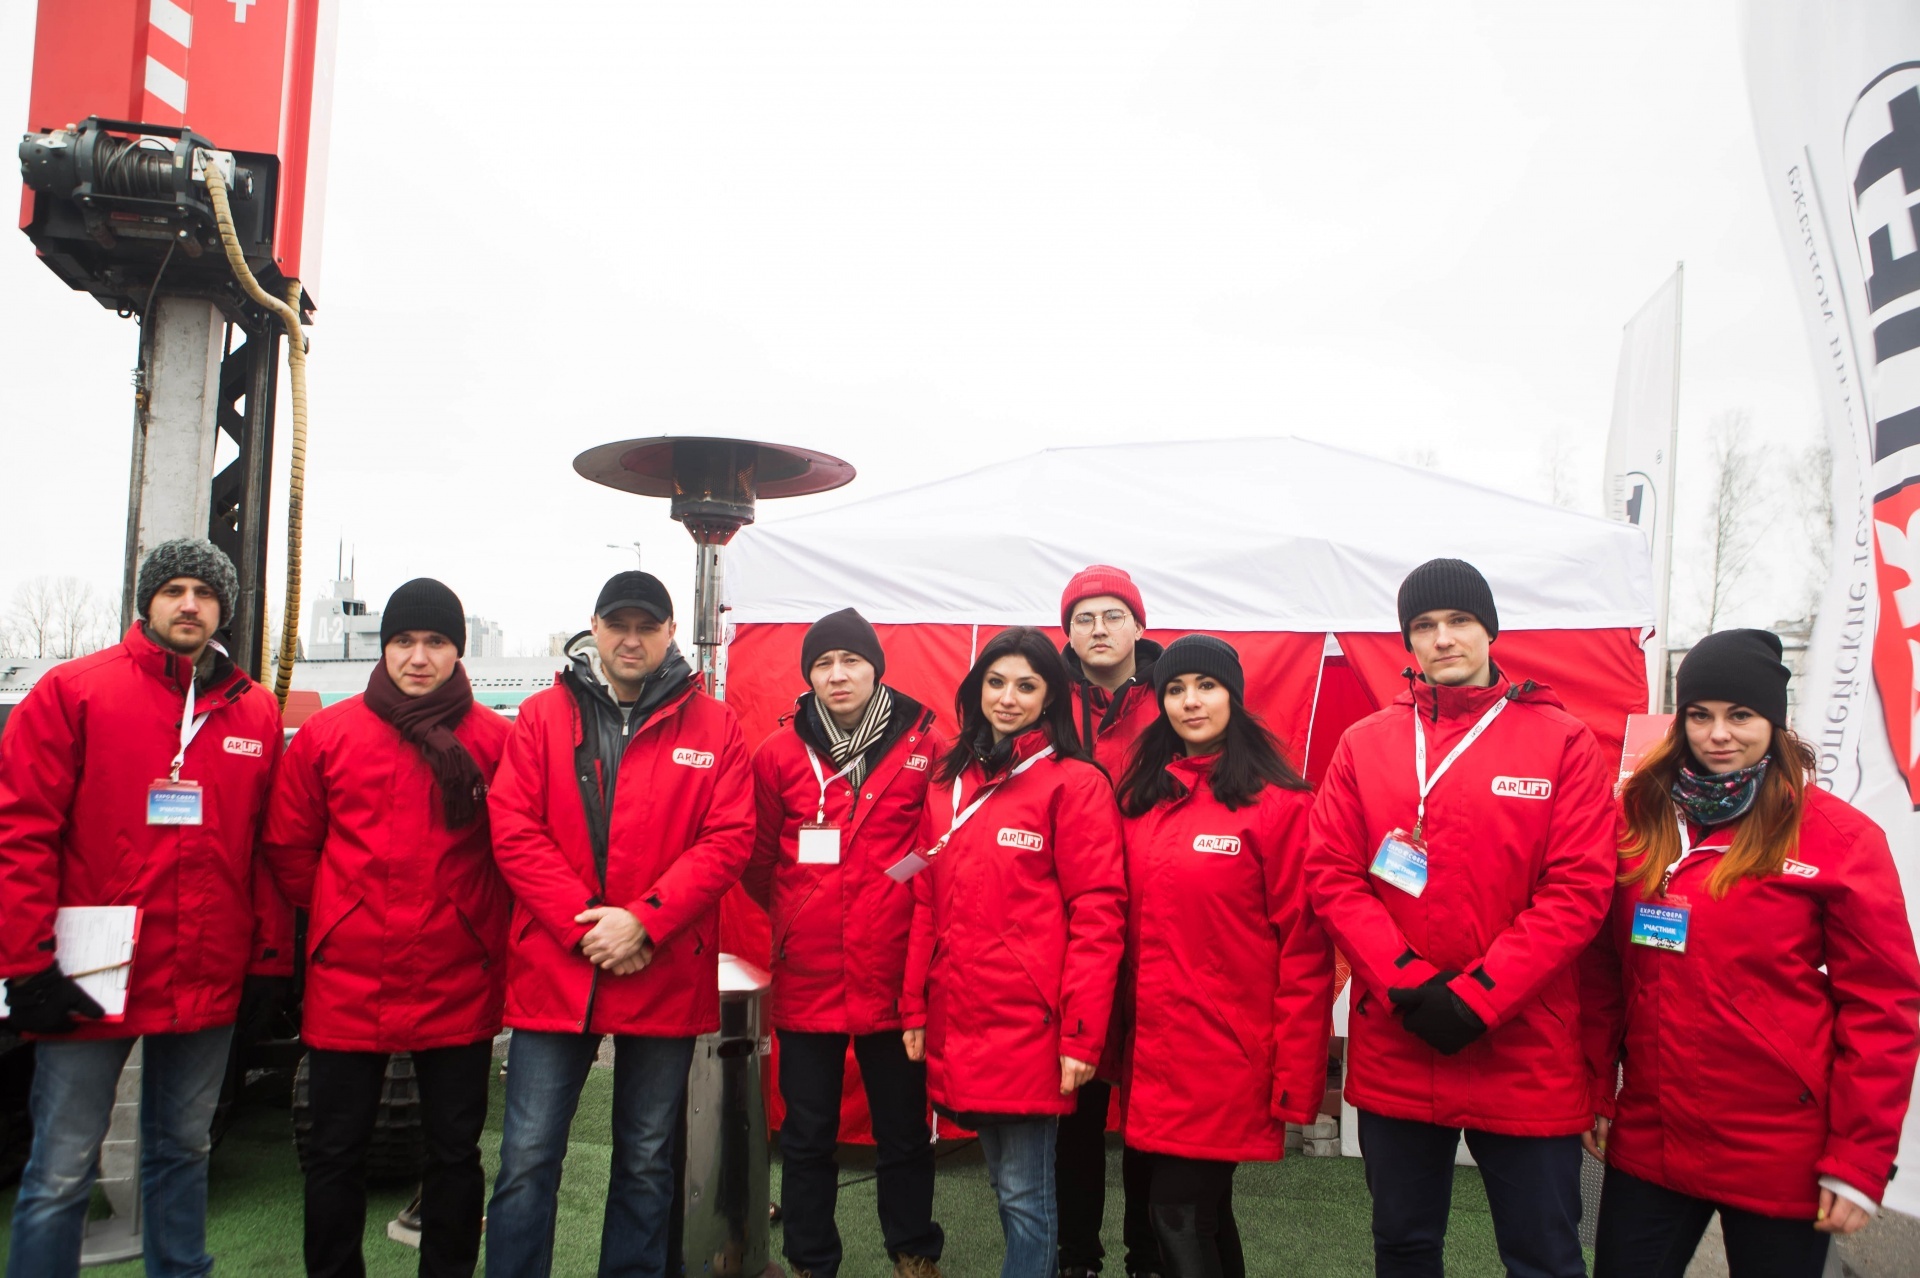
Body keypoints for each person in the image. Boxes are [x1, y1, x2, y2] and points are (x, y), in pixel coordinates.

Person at [1304, 558, 1615, 1278]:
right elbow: (1333, 875)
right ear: (1407, 641)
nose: (1442, 638)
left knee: (1543, 1255)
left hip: (1524, 1046)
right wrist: (1406, 981)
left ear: (1490, 630)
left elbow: (1577, 890)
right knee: (1404, 1247)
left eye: (1459, 621)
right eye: (1424, 625)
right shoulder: (1366, 742)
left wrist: (1479, 996)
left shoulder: (1561, 740)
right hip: (1402, 1035)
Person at [1581, 629, 1920, 1278]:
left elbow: (1883, 1006)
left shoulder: (1838, 838)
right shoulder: (1637, 820)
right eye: (1699, 715)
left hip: (1780, 1148)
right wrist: (1598, 1085)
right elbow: (1602, 971)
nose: (1718, 734)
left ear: (1774, 722)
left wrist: (1859, 1158)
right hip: (1653, 1135)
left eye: (1740, 715)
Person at [0, 538, 284, 1278]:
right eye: (173, 590)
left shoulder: (253, 708)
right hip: (87, 968)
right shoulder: (74, 691)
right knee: (63, 1162)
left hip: (206, 964)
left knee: (184, 1149)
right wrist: (25, 963)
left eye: (205, 593)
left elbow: (266, 845)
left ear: (224, 609)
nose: (189, 604)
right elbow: (21, 832)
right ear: (147, 602)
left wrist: (266, 959)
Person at [483, 571, 756, 1278]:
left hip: (661, 965)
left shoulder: (716, 726)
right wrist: (587, 928)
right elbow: (513, 828)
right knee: (527, 1157)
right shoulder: (541, 716)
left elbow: (729, 839)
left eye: (646, 626)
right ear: (596, 628)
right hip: (558, 964)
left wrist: (644, 922)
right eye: (618, 625)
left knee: (645, 1158)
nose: (631, 640)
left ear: (670, 632)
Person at [260, 579, 512, 1278]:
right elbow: (289, 845)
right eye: (403, 640)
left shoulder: (497, 741)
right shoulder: (327, 735)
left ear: (458, 650)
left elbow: (515, 852)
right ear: (383, 647)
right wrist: (341, 914)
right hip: (349, 975)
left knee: (455, 1153)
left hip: (456, 975)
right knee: (333, 1152)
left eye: (436, 641)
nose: (418, 656)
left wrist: (470, 924)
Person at [900, 626, 1126, 1278]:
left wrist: (1081, 1036)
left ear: (1050, 697)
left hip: (1035, 1022)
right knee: (1004, 1183)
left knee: (1026, 1194)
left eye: (1027, 685)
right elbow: (924, 899)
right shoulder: (948, 781)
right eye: (996, 682)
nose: (1008, 697)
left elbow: (1098, 916)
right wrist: (912, 1004)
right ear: (977, 689)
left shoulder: (1074, 783)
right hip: (961, 1012)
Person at [1114, 635, 1335, 1278]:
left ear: (1234, 697)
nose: (1190, 701)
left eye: (1206, 686)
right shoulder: (1142, 798)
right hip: (1152, 1052)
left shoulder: (1280, 804)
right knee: (1200, 1214)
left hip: (1228, 1055)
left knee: (1177, 1216)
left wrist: (1297, 1074)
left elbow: (1305, 950)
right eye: (1175, 689)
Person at [744, 608, 947, 1278]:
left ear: (875, 669)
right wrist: (799, 912)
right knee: (806, 1134)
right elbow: (758, 861)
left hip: (894, 970)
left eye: (851, 661)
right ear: (809, 676)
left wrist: (891, 887)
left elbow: (938, 847)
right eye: (824, 663)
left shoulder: (926, 746)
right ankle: (810, 1260)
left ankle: (912, 1249)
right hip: (809, 970)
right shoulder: (778, 753)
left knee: (903, 1129)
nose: (838, 674)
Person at [1056, 564, 1163, 1278]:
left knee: (1152, 1103)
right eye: (1084, 618)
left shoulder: (1178, 693)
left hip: (1159, 927)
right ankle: (1076, 1254)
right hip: (1073, 930)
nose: (1099, 630)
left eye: (1112, 615)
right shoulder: (1044, 697)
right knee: (1077, 1101)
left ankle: (1147, 1254)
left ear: (1138, 625)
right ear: (1067, 632)